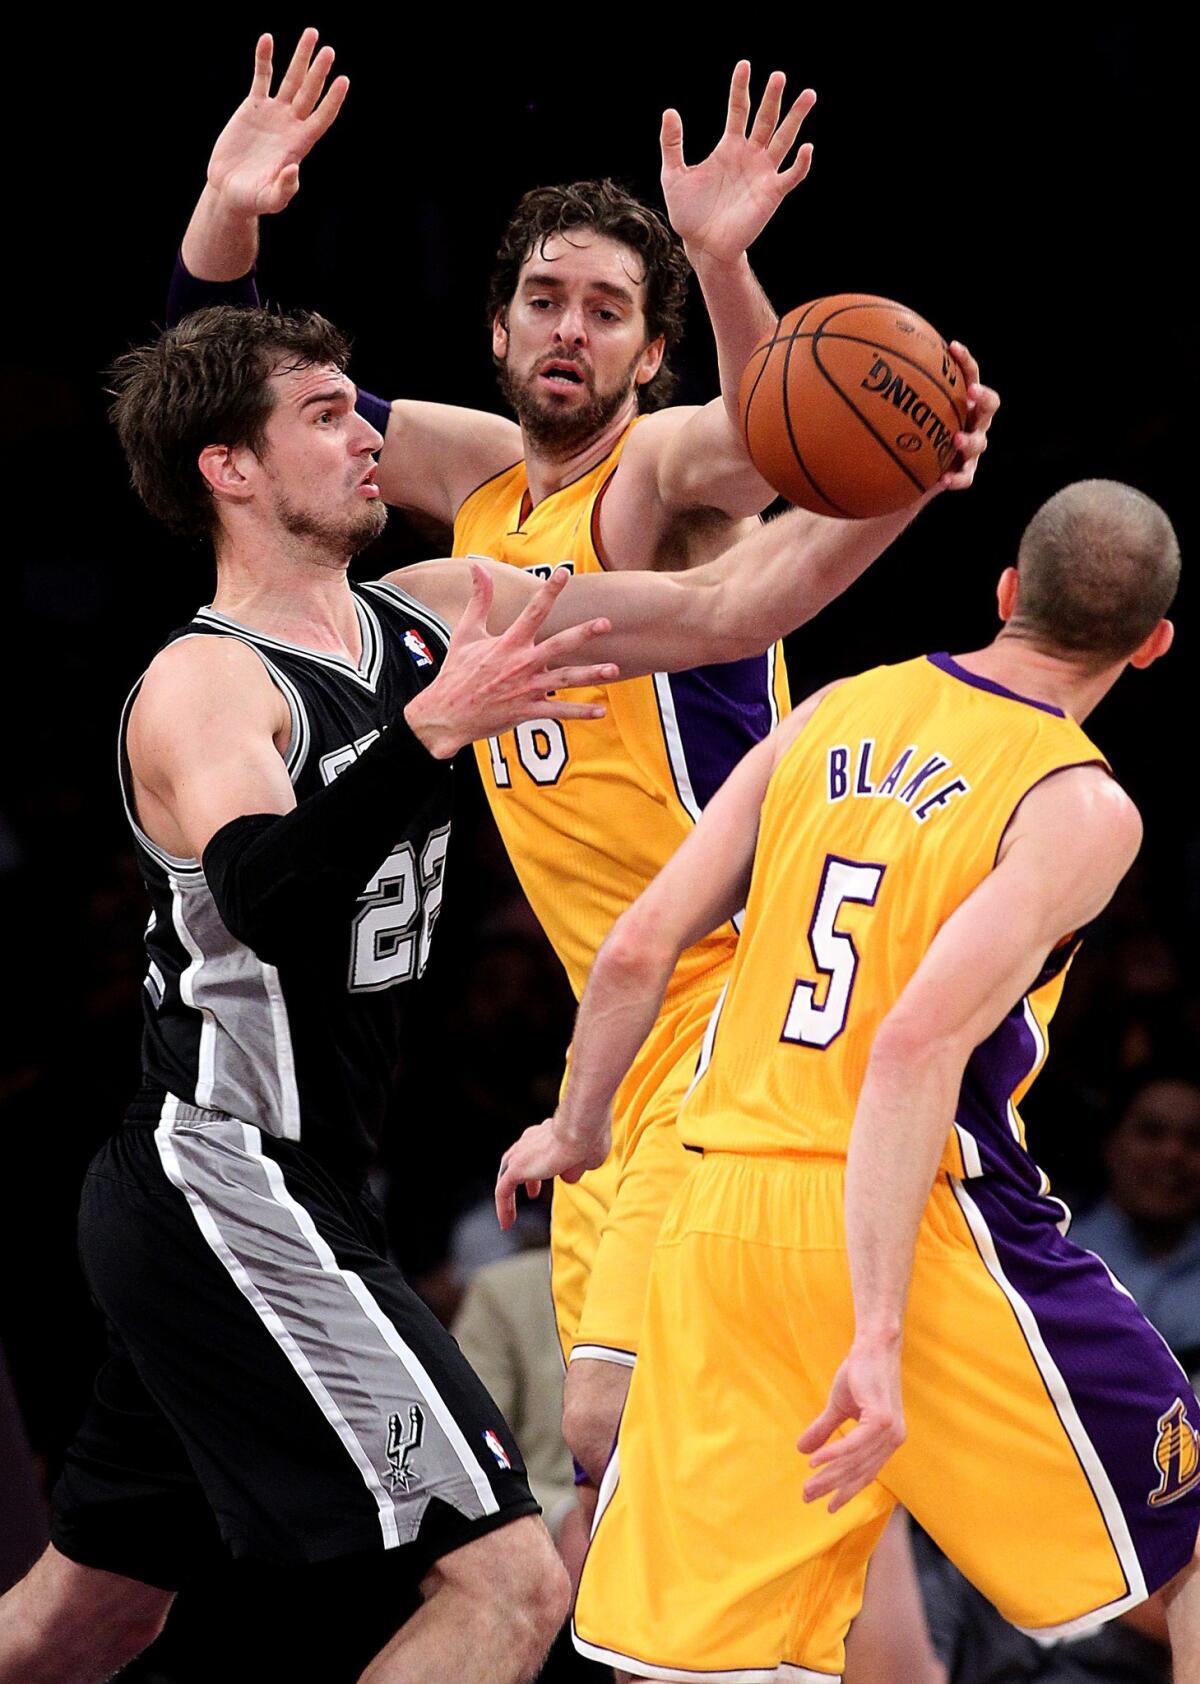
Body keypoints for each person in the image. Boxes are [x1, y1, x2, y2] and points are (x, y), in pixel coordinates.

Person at [0, 202, 980, 1678]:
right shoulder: (207, 688)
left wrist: (910, 477)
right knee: (513, 1588)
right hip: (227, 1177)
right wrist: (425, 738)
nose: (372, 441)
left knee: (98, 1610)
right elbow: (267, 897)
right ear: (235, 474)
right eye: (331, 418)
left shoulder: (439, 612)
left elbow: (731, 603)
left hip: (304, 1178)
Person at [175, 29, 996, 1522]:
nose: (572, 330)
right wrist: (228, 217)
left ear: (650, 352)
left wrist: (730, 265)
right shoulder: (471, 473)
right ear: (496, 328)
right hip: (619, 1014)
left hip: (740, 981)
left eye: (610, 312)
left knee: (621, 1422)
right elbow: (235, 407)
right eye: (545, 301)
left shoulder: (660, 476)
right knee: (645, 1458)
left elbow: (775, 454)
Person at [496, 480, 1200, 1681]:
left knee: (696, 1666)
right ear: (1153, 645)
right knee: (1189, 1536)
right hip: (910, 1227)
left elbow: (636, 946)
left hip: (718, 1218)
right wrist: (875, 1330)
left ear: (1008, 593)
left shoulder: (835, 707)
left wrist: (576, 1126)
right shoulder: (1081, 802)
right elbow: (913, 1045)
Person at [1069, 1073, 1200, 1374]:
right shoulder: (1051, 1254)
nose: (1172, 1154)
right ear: (1110, 1145)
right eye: (1151, 1133)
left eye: (1194, 1139)